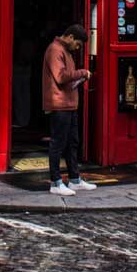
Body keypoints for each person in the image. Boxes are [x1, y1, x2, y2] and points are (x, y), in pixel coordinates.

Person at [42, 24, 96, 196]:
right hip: (59, 104)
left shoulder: (65, 51)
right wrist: (81, 73)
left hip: (69, 104)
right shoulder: (55, 50)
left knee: (73, 143)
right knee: (58, 144)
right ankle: (56, 183)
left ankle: (74, 179)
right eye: (78, 44)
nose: (78, 47)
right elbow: (60, 76)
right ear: (71, 37)